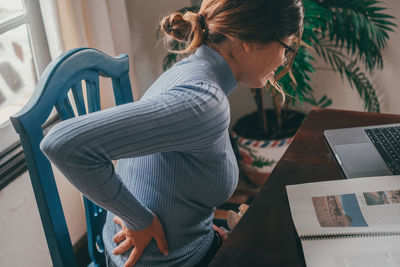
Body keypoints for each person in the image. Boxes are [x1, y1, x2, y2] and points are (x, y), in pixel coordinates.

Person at [40, 0, 303, 266]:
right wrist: (139, 220)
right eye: (287, 46)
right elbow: (61, 143)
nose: (283, 60)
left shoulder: (191, 71)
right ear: (248, 40)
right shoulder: (205, 101)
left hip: (180, 245)